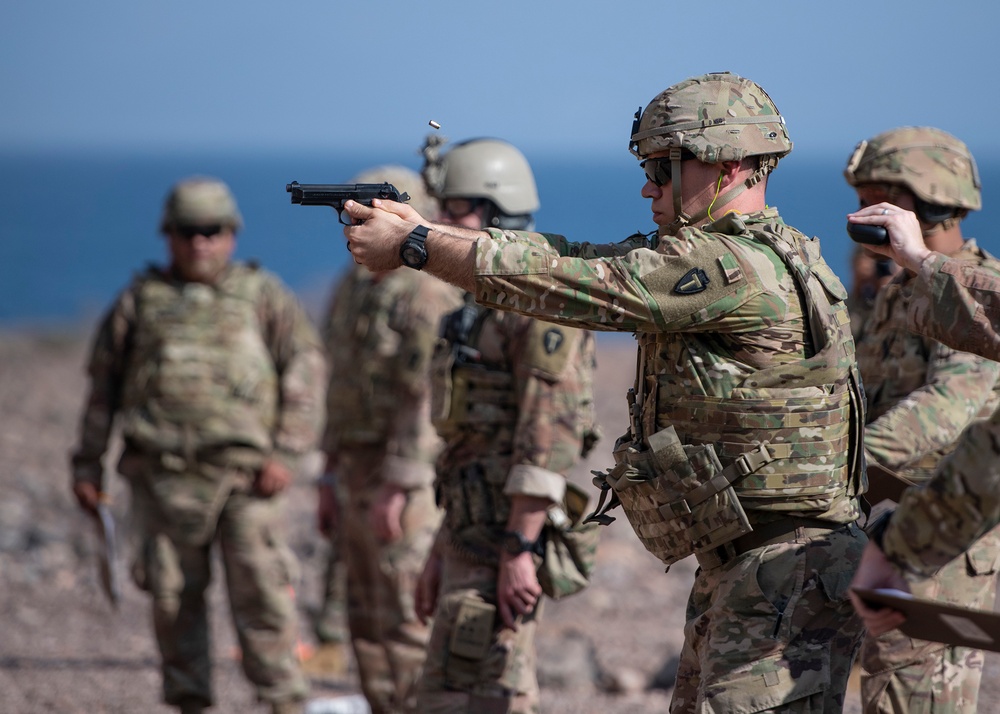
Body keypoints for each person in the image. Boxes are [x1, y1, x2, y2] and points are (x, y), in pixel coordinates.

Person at [343, 71, 867, 713]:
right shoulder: (742, 255)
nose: (648, 185)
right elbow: (570, 257)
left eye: (662, 167)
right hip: (750, 561)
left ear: (728, 167)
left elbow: (579, 285)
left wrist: (419, 246)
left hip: (781, 565)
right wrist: (429, 231)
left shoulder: (731, 267)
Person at [70, 177, 326, 714]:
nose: (199, 244)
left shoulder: (263, 296)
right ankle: (190, 703)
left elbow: (305, 372)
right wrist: (87, 465)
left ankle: (284, 702)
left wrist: (287, 452)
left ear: (231, 234)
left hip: (245, 481)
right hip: (162, 478)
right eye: (187, 232)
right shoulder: (140, 302)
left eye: (211, 231)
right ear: (169, 235)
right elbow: (103, 390)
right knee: (172, 602)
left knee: (263, 599)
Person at [410, 136, 599, 713]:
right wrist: (443, 547)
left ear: (498, 212)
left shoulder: (533, 304)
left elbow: (550, 435)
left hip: (503, 540)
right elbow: (469, 440)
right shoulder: (476, 310)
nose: (440, 221)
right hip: (469, 532)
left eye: (456, 209)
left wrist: (520, 545)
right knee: (448, 694)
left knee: (491, 693)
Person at [844, 126, 1000, 713]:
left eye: (877, 199)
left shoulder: (968, 298)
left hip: (939, 542)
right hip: (884, 525)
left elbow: (945, 410)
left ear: (929, 200)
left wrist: (840, 471)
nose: (862, 214)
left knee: (914, 697)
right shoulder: (896, 293)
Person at [316, 165, 462, 713]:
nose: (355, 231)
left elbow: (426, 396)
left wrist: (399, 484)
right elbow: (338, 384)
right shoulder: (351, 288)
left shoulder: (426, 296)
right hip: (353, 469)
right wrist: (327, 475)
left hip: (403, 478)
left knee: (405, 618)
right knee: (363, 615)